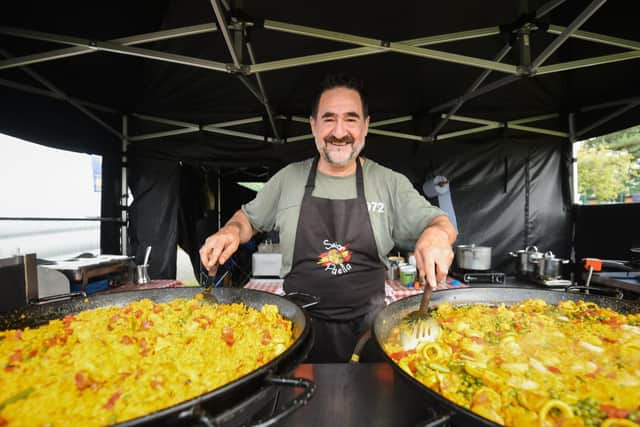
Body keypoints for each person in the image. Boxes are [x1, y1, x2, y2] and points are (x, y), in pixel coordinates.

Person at [200, 73, 457, 362]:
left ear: (366, 125)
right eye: (328, 119)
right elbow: (247, 220)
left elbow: (441, 223)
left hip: (369, 330)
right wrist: (231, 231)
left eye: (350, 119)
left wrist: (436, 234)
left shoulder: (389, 183)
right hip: (297, 328)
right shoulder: (288, 179)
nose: (339, 131)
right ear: (313, 125)